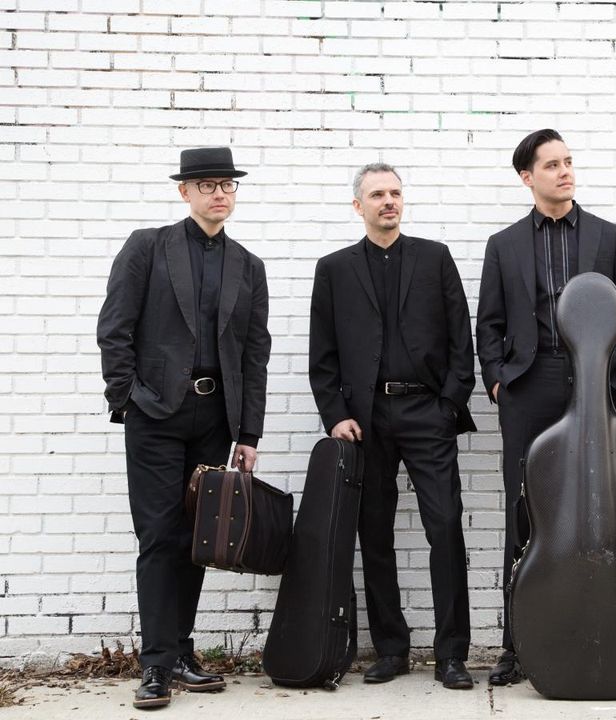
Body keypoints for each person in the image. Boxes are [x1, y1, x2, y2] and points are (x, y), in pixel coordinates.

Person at [97, 147, 271, 709]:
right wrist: (128, 397)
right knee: (158, 537)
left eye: (227, 184)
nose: (219, 193)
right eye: (207, 185)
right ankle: (155, 664)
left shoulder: (248, 265)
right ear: (185, 192)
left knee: (198, 540)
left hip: (215, 418)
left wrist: (248, 434)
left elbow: (254, 354)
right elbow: (114, 328)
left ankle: (179, 652)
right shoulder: (148, 247)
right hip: (156, 415)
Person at [476, 129, 616, 686]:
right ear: (527, 177)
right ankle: (518, 646)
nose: (565, 171)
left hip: (598, 381)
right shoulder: (503, 245)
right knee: (526, 511)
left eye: (568, 161)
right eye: (552, 165)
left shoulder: (609, 236)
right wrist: (500, 382)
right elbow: (489, 324)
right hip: (531, 384)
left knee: (610, 505)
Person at [308, 163, 477, 690]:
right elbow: (322, 355)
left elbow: (461, 341)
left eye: (395, 193)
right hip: (366, 421)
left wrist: (448, 405)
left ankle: (452, 654)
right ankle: (391, 649)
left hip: (427, 412)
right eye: (377, 194)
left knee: (445, 526)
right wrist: (336, 415)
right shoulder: (334, 269)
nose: (389, 201)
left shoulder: (435, 257)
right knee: (374, 532)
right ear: (358, 206)